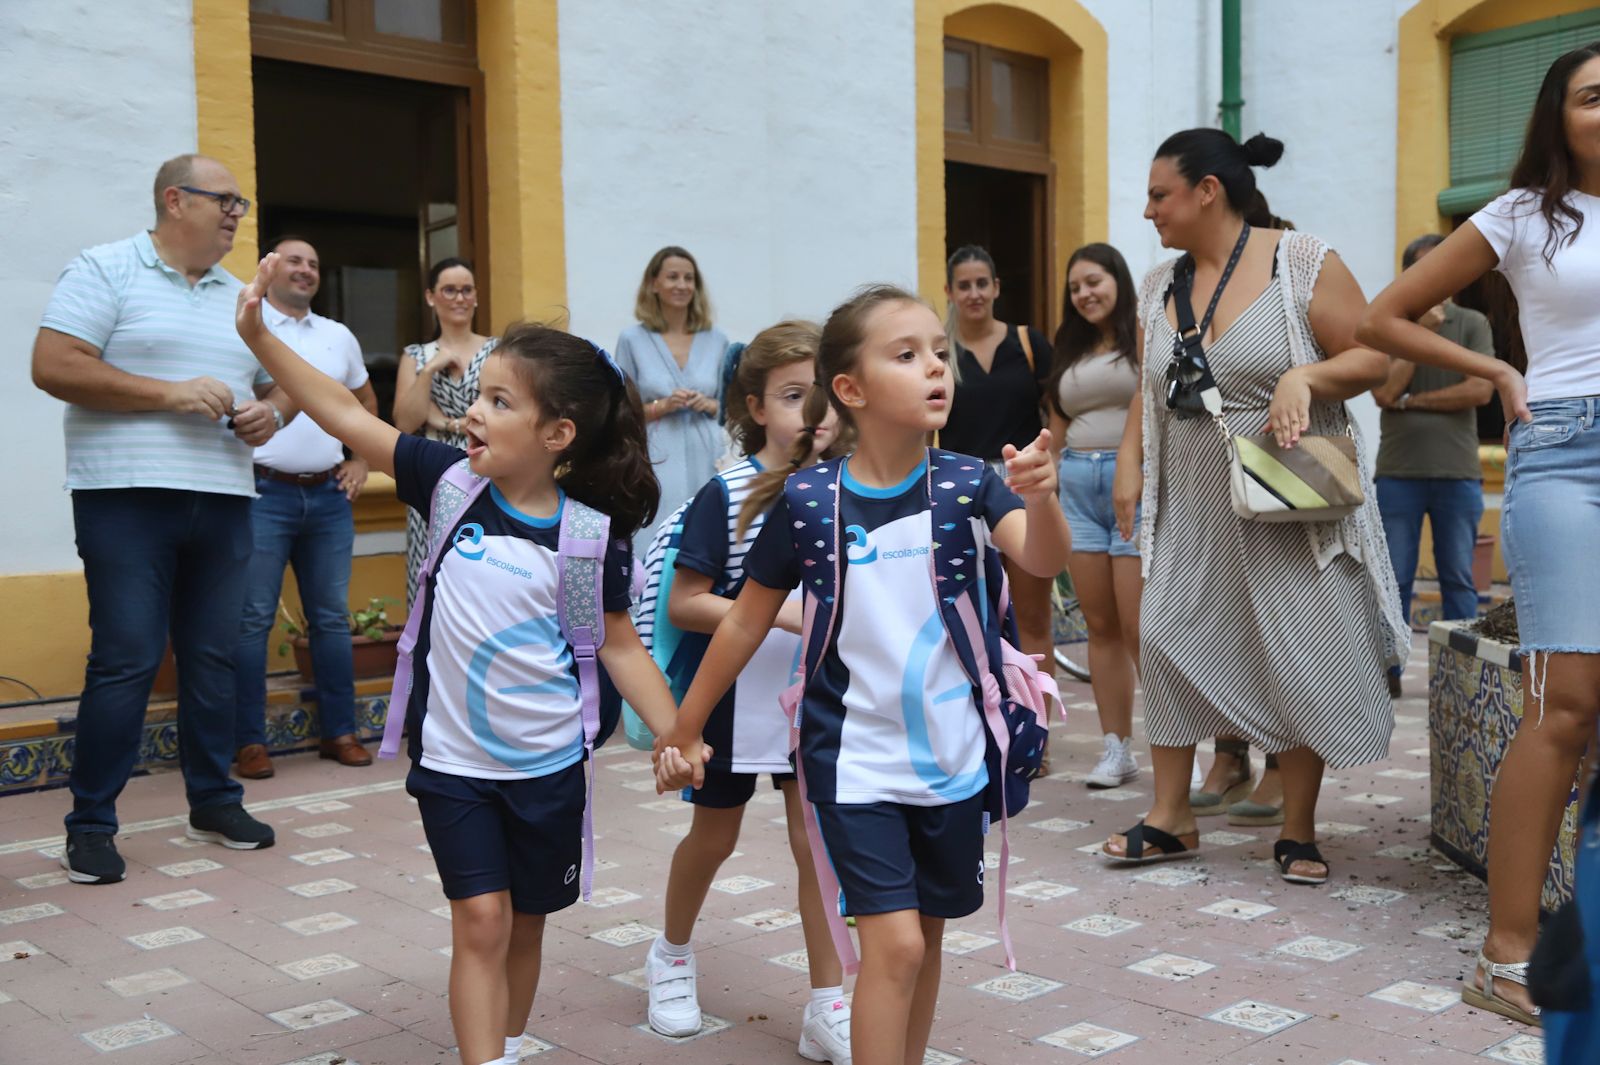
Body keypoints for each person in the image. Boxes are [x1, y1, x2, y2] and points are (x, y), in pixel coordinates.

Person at [235, 252, 698, 1065]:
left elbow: (616, 645)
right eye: (479, 393)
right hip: (455, 762)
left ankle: (507, 1041)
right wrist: (261, 341)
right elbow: (344, 415)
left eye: (499, 400)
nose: (474, 412)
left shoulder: (586, 540)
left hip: (549, 766)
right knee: (480, 919)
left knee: (524, 924)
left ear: (556, 435)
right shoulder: (448, 483)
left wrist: (674, 733)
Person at [657, 285, 1071, 1065]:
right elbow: (745, 619)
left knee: (929, 936)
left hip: (953, 758)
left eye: (939, 353)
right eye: (906, 354)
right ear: (849, 389)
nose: (935, 369)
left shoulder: (972, 483)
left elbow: (1041, 558)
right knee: (897, 946)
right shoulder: (812, 500)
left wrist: (1041, 500)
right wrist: (685, 724)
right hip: (851, 762)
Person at [1359, 41, 1600, 1028]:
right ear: (1558, 116)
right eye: (1593, 96)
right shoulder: (1519, 217)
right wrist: (1503, 375)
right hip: (1564, 456)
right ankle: (1506, 948)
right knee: (1567, 702)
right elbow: (1383, 316)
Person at [1104, 129, 1407, 888]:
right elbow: (1153, 386)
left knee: (1295, 647)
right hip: (1191, 495)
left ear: (1208, 190)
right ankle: (1172, 813)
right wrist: (1128, 464)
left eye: (1159, 195)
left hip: (1286, 492)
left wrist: (1305, 376)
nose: (1148, 211)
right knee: (1166, 634)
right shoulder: (1156, 284)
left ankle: (1297, 828)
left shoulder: (1299, 259)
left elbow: (1375, 356)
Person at [32, 153, 291, 884]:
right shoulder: (105, 268)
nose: (237, 213)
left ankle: (214, 801)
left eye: (241, 202)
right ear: (176, 200)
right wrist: (168, 394)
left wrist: (271, 412)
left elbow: (285, 384)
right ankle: (90, 824)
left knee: (216, 656)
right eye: (225, 201)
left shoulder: (240, 295)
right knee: (127, 658)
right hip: (124, 498)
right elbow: (53, 364)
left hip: (224, 497)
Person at [642, 322, 850, 1063]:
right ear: (757, 405)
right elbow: (686, 600)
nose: (812, 411)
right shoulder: (725, 491)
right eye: (793, 395)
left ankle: (829, 1001)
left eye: (821, 392)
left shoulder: (845, 486)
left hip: (812, 698)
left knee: (814, 842)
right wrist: (778, 612)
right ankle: (669, 953)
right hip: (730, 697)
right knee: (715, 835)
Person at [232, 235, 380, 780]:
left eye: (314, 264)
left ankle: (339, 732)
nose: (305, 270)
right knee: (252, 620)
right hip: (262, 493)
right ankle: (249, 741)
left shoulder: (338, 336)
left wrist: (362, 460)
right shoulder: (249, 326)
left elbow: (365, 404)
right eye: (294, 260)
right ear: (270, 268)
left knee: (331, 621)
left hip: (327, 496)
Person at [1046, 243, 1143, 788]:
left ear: (1118, 280)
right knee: (1099, 625)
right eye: (1075, 287)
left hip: (1135, 485)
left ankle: (1187, 748)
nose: (1084, 294)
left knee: (1139, 627)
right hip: (1078, 485)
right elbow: (1058, 430)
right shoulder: (1070, 344)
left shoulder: (1147, 332)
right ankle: (1117, 748)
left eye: (1093, 281)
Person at [1371, 234, 1495, 644]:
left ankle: (1465, 671)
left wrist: (1411, 402)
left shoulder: (1473, 323)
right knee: (1396, 576)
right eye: (1423, 270)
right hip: (1398, 473)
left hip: (1457, 472)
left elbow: (1479, 391)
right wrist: (1418, 335)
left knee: (1459, 579)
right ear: (1408, 275)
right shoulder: (1387, 323)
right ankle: (1390, 668)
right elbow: (1384, 393)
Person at [940, 246, 1057, 675]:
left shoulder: (1028, 343)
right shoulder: (940, 353)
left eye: (982, 284)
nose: (974, 293)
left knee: (1032, 615)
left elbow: (1056, 411)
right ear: (949, 291)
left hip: (1020, 482)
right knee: (970, 611)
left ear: (996, 288)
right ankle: (989, 723)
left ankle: (1038, 734)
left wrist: (1050, 467)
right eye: (964, 285)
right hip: (961, 489)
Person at [394, 257, 498, 606]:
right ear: (430, 297)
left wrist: (446, 421)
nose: (459, 298)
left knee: (489, 564)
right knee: (432, 567)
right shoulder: (417, 356)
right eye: (449, 290)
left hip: (491, 468)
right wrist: (430, 371)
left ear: (477, 296)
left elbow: (511, 412)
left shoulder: (498, 351)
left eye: (466, 290)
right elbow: (406, 423)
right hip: (434, 472)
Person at [614, 246, 730, 553]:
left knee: (708, 531)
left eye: (689, 278)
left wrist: (710, 405)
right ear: (654, 284)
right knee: (654, 535)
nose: (682, 285)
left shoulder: (717, 339)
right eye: (673, 277)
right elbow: (620, 410)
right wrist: (661, 407)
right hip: (657, 455)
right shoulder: (632, 339)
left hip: (708, 454)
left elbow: (732, 407)